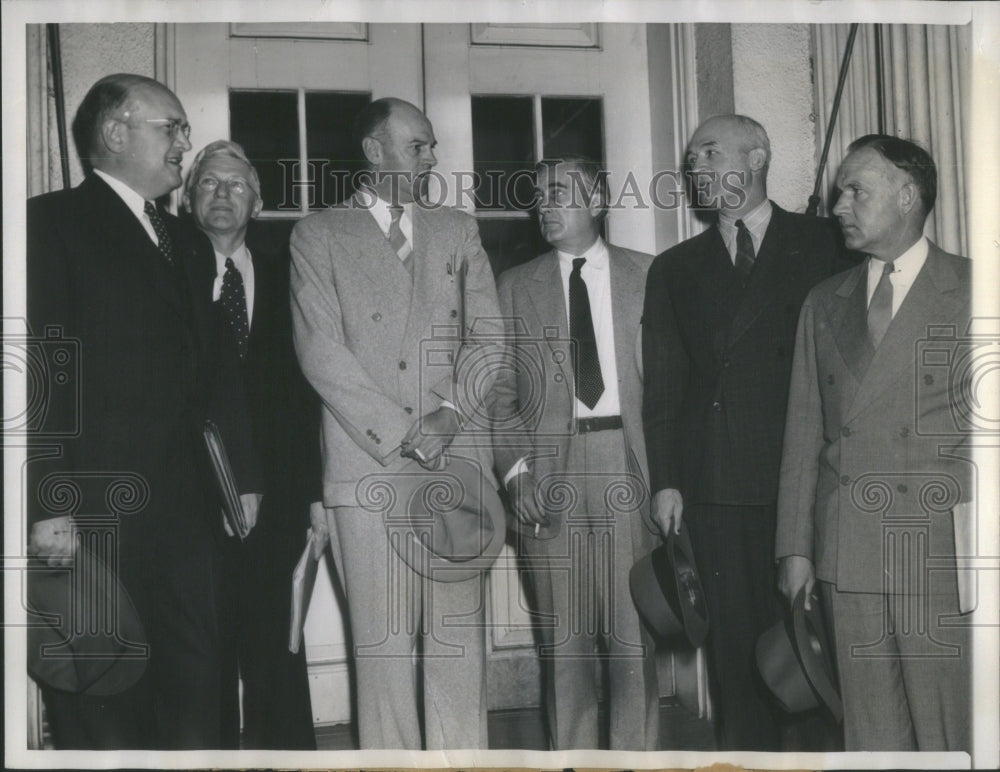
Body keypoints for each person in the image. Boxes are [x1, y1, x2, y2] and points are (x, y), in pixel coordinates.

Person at [26, 73, 260, 749]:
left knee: (194, 686)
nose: (186, 142)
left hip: (186, 516)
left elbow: (216, 372)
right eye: (173, 127)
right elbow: (40, 370)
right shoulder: (50, 223)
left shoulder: (186, 241)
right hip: (93, 514)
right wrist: (50, 501)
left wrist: (241, 477)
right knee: (102, 692)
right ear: (115, 132)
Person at [289, 97, 502, 749]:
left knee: (457, 648)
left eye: (434, 146)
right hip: (369, 464)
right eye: (419, 146)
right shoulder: (318, 234)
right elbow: (320, 350)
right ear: (374, 150)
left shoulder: (457, 229)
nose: (432, 158)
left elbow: (489, 335)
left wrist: (449, 413)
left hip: (455, 464)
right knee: (380, 654)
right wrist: (406, 430)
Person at [641, 114, 843, 750]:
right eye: (692, 157)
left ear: (757, 156)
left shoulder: (827, 243)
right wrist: (668, 481)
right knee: (733, 655)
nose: (695, 167)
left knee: (809, 653)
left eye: (709, 152)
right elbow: (665, 387)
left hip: (804, 479)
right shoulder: (674, 268)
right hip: (717, 488)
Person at [776, 135, 971, 751]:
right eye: (840, 191)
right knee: (869, 735)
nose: (838, 205)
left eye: (856, 190)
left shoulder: (973, 290)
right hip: (846, 550)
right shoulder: (822, 303)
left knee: (948, 731)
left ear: (908, 196)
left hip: (937, 546)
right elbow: (802, 433)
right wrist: (794, 550)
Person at [490, 156, 660, 750]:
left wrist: (668, 481)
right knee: (564, 644)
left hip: (627, 464)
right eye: (538, 196)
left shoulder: (652, 276)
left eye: (558, 193)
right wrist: (516, 473)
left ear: (596, 201)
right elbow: (498, 391)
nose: (544, 206)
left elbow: (672, 388)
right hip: (546, 475)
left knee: (634, 640)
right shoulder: (514, 286)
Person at [183, 140, 319, 749]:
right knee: (201, 658)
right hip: (191, 499)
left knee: (277, 653)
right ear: (189, 199)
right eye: (208, 183)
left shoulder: (291, 274)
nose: (222, 195)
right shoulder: (167, 272)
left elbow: (310, 392)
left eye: (237, 186)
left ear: (258, 203)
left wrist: (315, 497)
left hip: (281, 498)